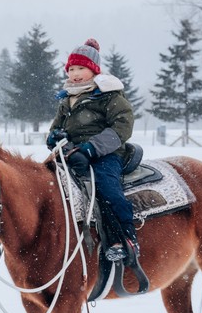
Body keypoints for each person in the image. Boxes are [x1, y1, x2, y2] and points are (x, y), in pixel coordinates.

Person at [45, 37, 139, 264]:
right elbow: (56, 128)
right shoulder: (67, 99)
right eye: (72, 69)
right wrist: (55, 138)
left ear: (94, 71)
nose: (75, 74)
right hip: (72, 155)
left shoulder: (108, 94)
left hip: (106, 154)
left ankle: (124, 237)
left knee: (105, 188)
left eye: (82, 68)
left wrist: (90, 149)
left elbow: (122, 126)